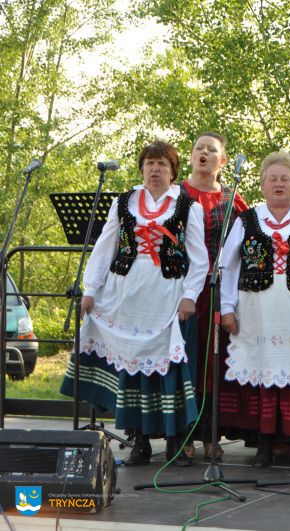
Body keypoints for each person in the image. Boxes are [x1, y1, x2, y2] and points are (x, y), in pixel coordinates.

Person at [62, 140, 208, 466]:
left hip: (167, 296)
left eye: (162, 164)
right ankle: (139, 441)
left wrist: (189, 295)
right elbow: (104, 248)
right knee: (131, 367)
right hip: (125, 296)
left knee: (170, 368)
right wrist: (91, 290)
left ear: (173, 171)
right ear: (142, 168)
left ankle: (175, 442)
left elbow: (199, 259)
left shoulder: (188, 207)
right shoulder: (124, 202)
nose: (155, 169)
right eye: (149, 163)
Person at [219, 151, 290, 468]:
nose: (279, 184)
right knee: (263, 375)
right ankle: (265, 444)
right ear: (262, 185)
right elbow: (228, 267)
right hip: (258, 311)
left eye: (285, 178)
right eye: (273, 179)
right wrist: (226, 307)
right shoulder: (247, 220)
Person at [181, 132, 248, 462]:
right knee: (181, 359)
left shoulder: (233, 199)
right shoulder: (176, 194)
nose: (204, 153)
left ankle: (210, 433)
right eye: (199, 148)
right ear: (191, 156)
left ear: (223, 160)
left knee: (213, 363)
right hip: (180, 290)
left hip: (218, 291)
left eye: (212, 150)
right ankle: (179, 434)